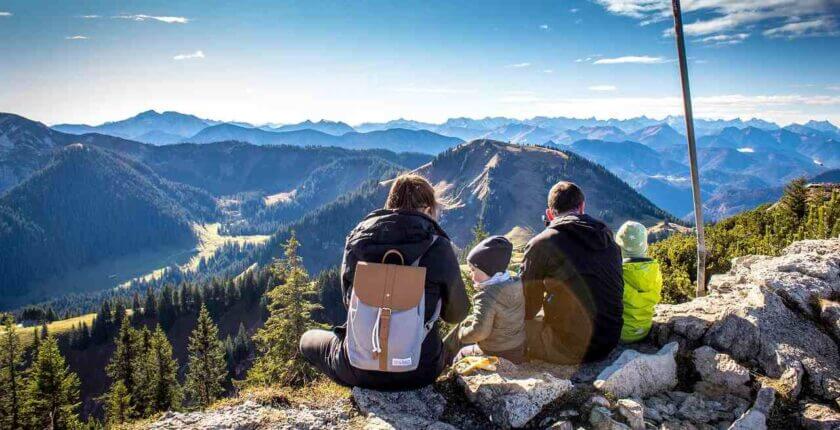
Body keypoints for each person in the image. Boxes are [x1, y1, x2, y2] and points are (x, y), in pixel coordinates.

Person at [299, 174, 469, 390]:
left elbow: (348, 300)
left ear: (391, 203)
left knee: (308, 339)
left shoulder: (358, 239)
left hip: (357, 368)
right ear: (427, 209)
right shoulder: (438, 247)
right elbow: (457, 314)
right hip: (420, 370)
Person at [521, 181, 623, 364]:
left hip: (568, 348)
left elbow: (529, 307)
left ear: (550, 213)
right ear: (582, 207)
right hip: (609, 340)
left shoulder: (541, 244)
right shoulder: (608, 238)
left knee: (501, 330)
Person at [445, 236, 526, 364]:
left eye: (473, 270)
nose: (471, 275)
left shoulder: (487, 296)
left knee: (461, 350)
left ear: (488, 270)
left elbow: (479, 332)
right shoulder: (516, 285)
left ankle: (446, 370)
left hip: (496, 350)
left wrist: (461, 334)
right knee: (467, 321)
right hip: (516, 348)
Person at [615, 221, 663, 343]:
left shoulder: (617, 272)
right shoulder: (654, 270)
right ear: (644, 245)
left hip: (621, 334)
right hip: (645, 329)